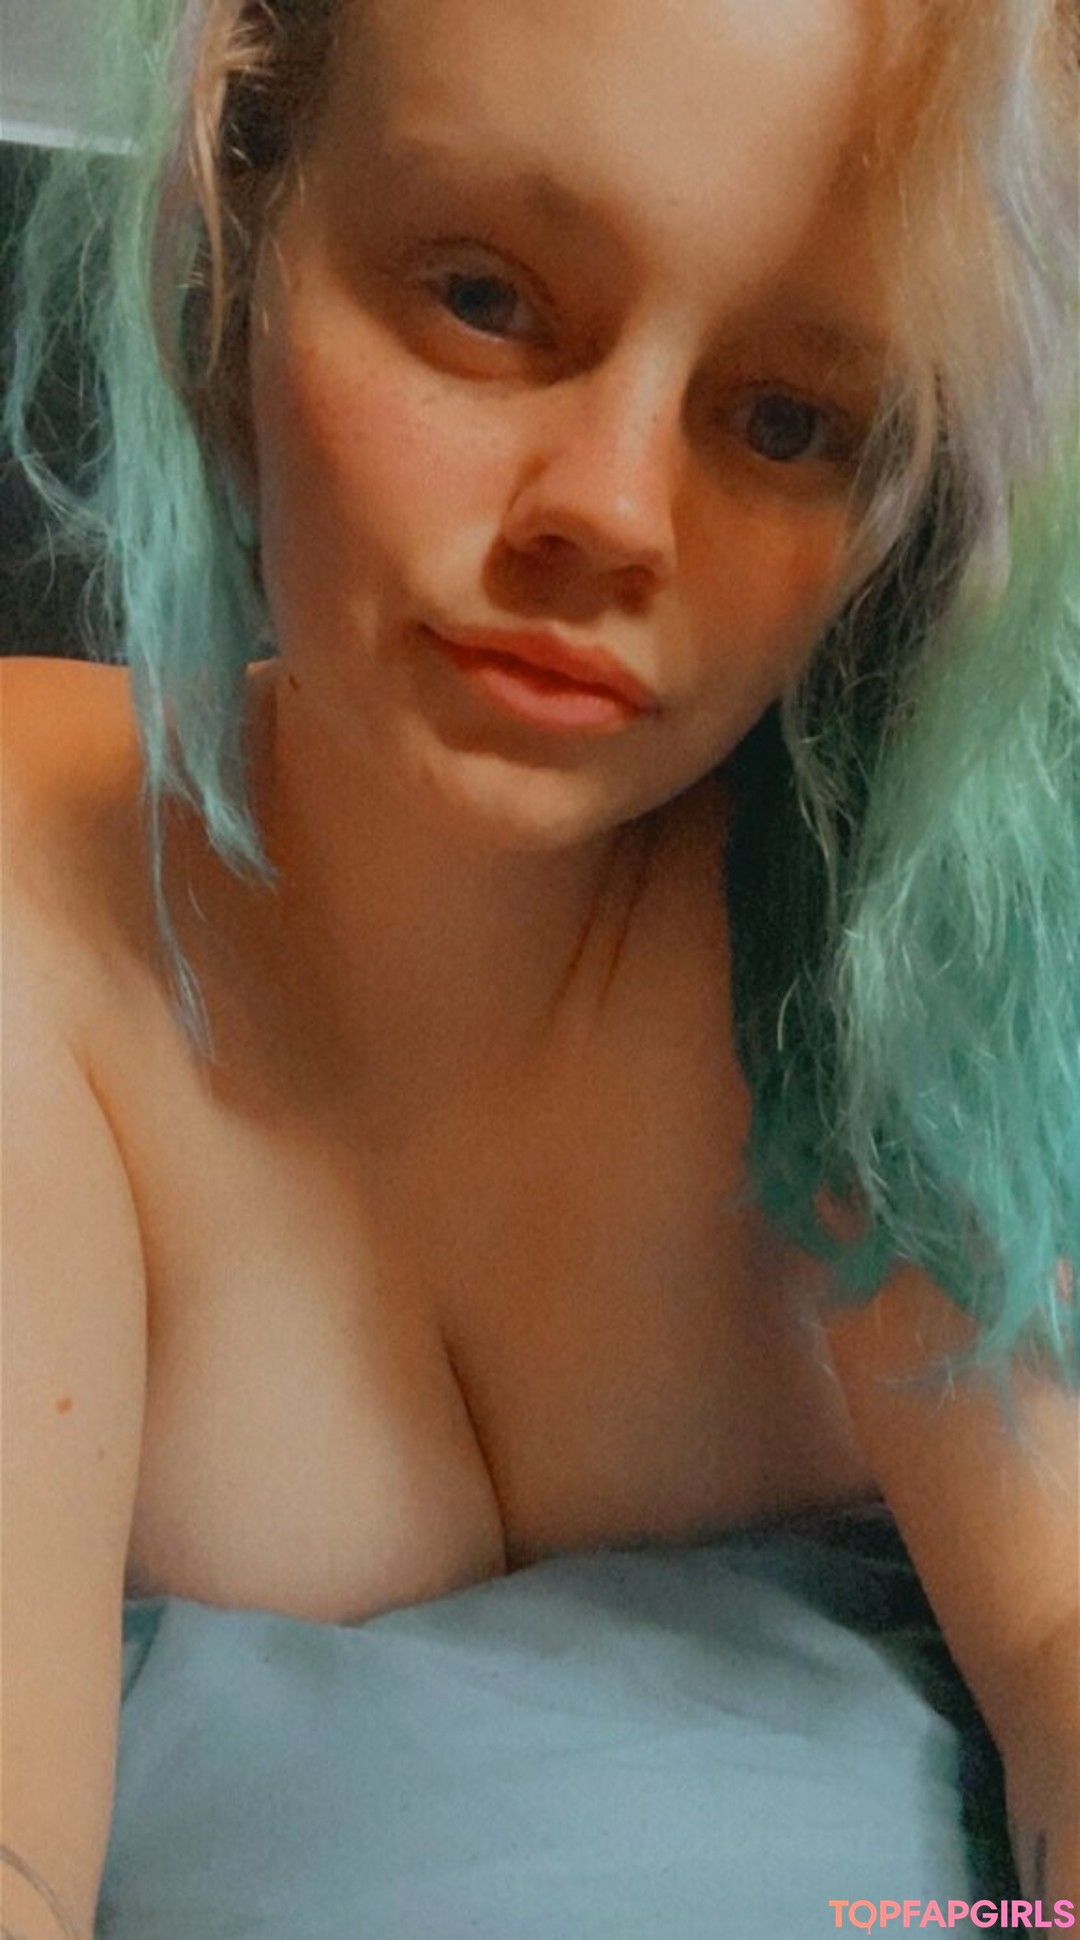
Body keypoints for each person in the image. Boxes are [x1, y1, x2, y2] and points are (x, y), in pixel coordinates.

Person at [2, 0, 1077, 1932]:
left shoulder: (903, 930)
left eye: (788, 419)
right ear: (240, 220)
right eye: (486, 299)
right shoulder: (33, 900)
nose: (612, 512)